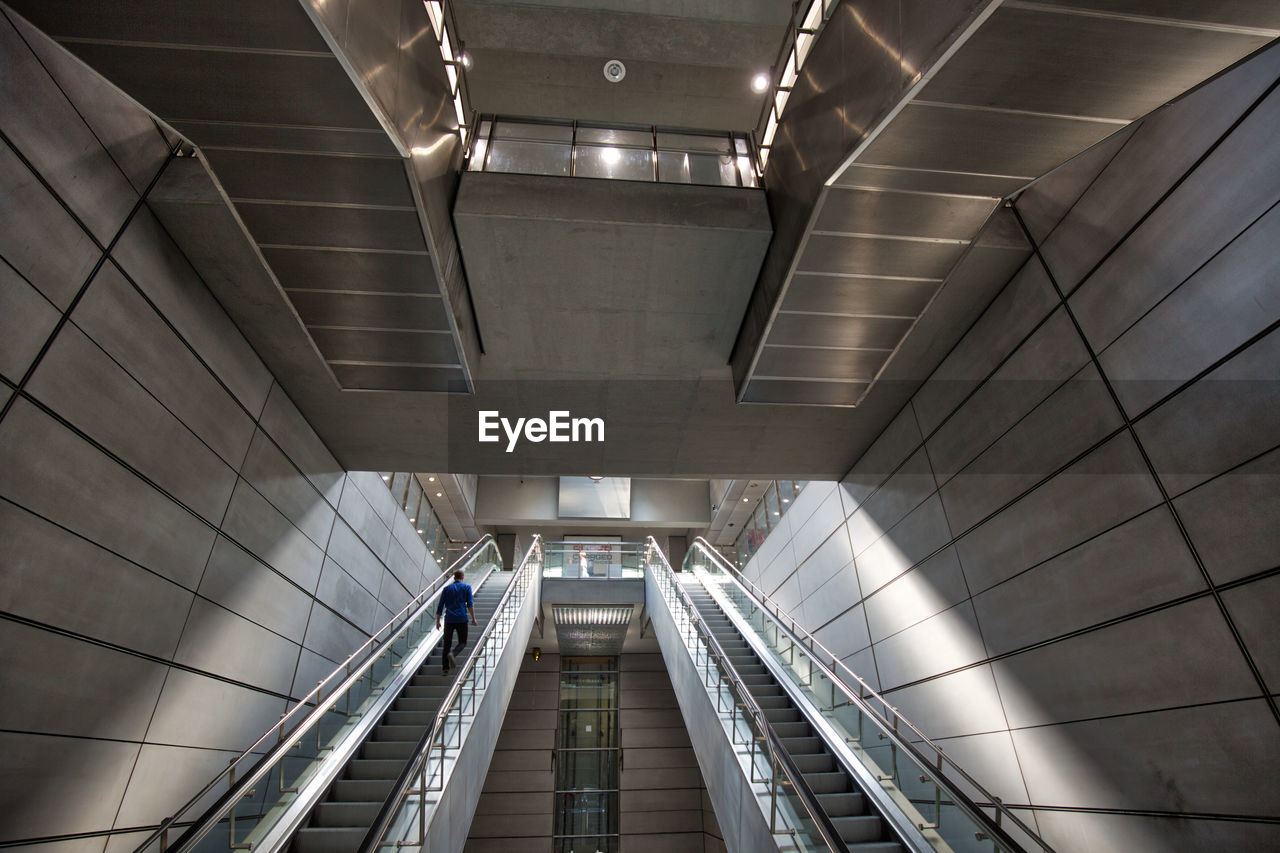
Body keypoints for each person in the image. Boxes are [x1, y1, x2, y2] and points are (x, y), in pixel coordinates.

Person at [436, 569, 476, 675]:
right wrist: (473, 618)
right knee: (462, 642)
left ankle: (445, 669)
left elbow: (440, 606)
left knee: (447, 644)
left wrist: (437, 621)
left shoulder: (446, 589)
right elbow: (470, 604)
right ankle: (453, 654)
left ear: (454, 577)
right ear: (462, 577)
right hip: (462, 618)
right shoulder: (467, 587)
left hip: (449, 619)